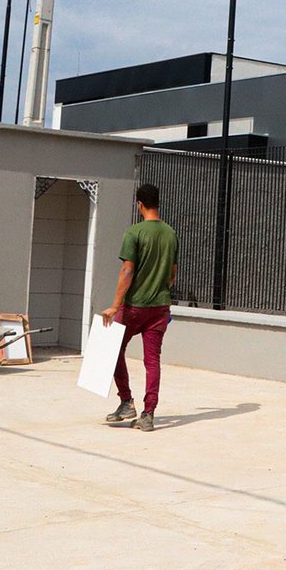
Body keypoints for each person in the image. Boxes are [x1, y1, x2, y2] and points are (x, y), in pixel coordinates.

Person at [101, 183, 179, 432]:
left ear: (140, 205)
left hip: (135, 306)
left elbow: (127, 269)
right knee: (152, 360)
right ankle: (148, 414)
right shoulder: (170, 233)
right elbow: (172, 272)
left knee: (112, 349)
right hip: (160, 307)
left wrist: (115, 305)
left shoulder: (134, 233)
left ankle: (126, 401)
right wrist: (162, 290)